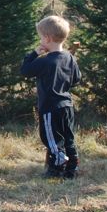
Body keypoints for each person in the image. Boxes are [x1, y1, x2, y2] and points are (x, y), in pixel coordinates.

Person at [19, 15, 81, 179]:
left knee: (51, 139)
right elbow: (76, 78)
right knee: (68, 137)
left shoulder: (44, 61)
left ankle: (56, 169)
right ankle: (72, 168)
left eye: (41, 38)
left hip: (49, 108)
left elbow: (25, 70)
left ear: (47, 38)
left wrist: (33, 54)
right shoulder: (70, 58)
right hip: (67, 105)